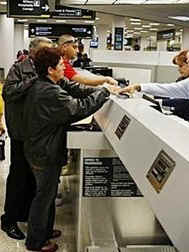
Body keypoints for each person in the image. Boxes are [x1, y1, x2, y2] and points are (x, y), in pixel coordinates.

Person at [23, 47, 111, 252]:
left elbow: (76, 90)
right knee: (43, 197)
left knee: (48, 194)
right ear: (51, 69)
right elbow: (78, 109)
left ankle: (44, 230)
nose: (65, 67)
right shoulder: (48, 92)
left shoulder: (47, 83)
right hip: (44, 152)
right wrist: (104, 93)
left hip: (39, 148)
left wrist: (102, 88)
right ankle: (35, 242)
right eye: (61, 65)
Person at [1, 37, 53, 240]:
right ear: (34, 51)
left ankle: (25, 214)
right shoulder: (20, 67)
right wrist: (33, 80)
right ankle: (9, 220)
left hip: (37, 132)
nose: (49, 54)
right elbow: (9, 92)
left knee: (33, 178)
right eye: (45, 51)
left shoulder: (44, 68)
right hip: (21, 132)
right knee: (18, 175)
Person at [160, 50, 189, 128]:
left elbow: (186, 102)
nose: (178, 69)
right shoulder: (181, 79)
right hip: (180, 119)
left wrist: (161, 101)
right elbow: (172, 93)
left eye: (181, 66)